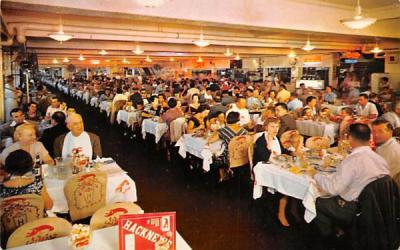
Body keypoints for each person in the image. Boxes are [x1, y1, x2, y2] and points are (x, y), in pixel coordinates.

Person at [313, 123, 390, 237]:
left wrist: (316, 175)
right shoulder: (379, 159)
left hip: (355, 209)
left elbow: (334, 189)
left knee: (317, 201)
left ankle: (329, 238)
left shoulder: (353, 160)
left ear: (350, 138)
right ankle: (341, 230)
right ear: (369, 138)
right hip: (377, 207)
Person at [207, 112, 248, 182]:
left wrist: (215, 132)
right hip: (242, 156)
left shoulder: (224, 130)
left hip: (229, 156)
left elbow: (210, 141)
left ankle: (222, 176)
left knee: (215, 157)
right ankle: (228, 173)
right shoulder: (244, 131)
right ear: (238, 120)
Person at [372, 120, 400, 185]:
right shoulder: (384, 144)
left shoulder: (393, 150)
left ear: (390, 132)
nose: (376, 135)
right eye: (373, 131)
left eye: (380, 131)